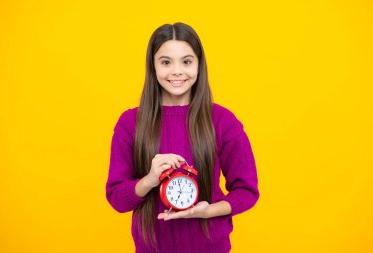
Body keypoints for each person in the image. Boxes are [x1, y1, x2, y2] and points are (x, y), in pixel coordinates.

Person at [105, 22, 260, 253]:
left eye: (186, 61)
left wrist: (208, 211)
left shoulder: (223, 121)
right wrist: (149, 179)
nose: (177, 71)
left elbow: (247, 191)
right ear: (153, 67)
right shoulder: (130, 123)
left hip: (211, 247)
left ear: (199, 65)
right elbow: (116, 198)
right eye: (166, 62)